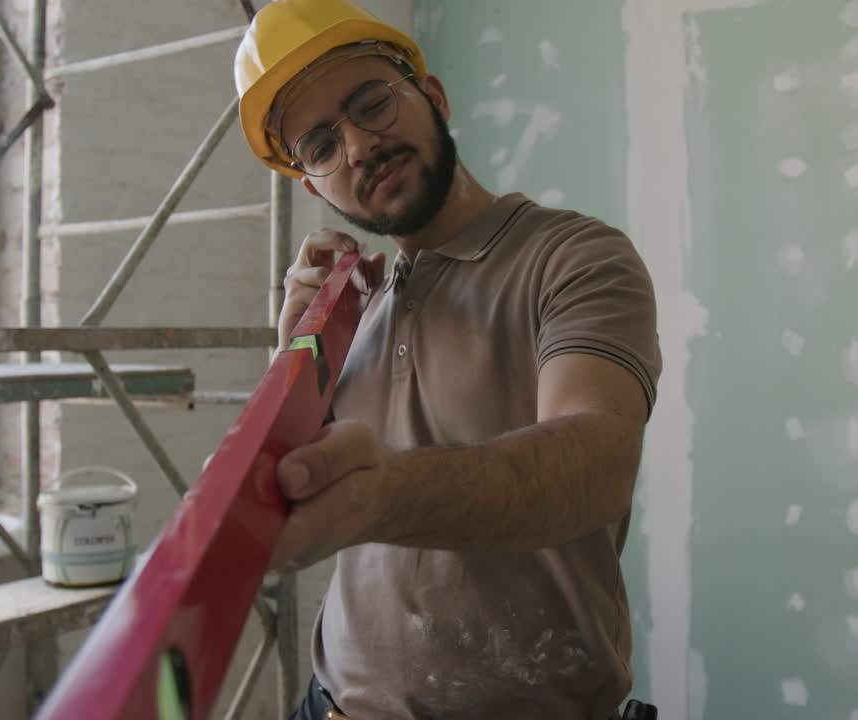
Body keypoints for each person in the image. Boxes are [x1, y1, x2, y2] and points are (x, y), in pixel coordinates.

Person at [233, 1, 661, 717]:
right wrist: (293, 349)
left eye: (371, 103)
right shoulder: (354, 305)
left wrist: (384, 497)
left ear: (431, 96)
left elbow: (600, 461)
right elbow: (296, 477)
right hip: (331, 705)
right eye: (321, 145)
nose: (358, 147)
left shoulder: (573, 258)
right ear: (312, 184)